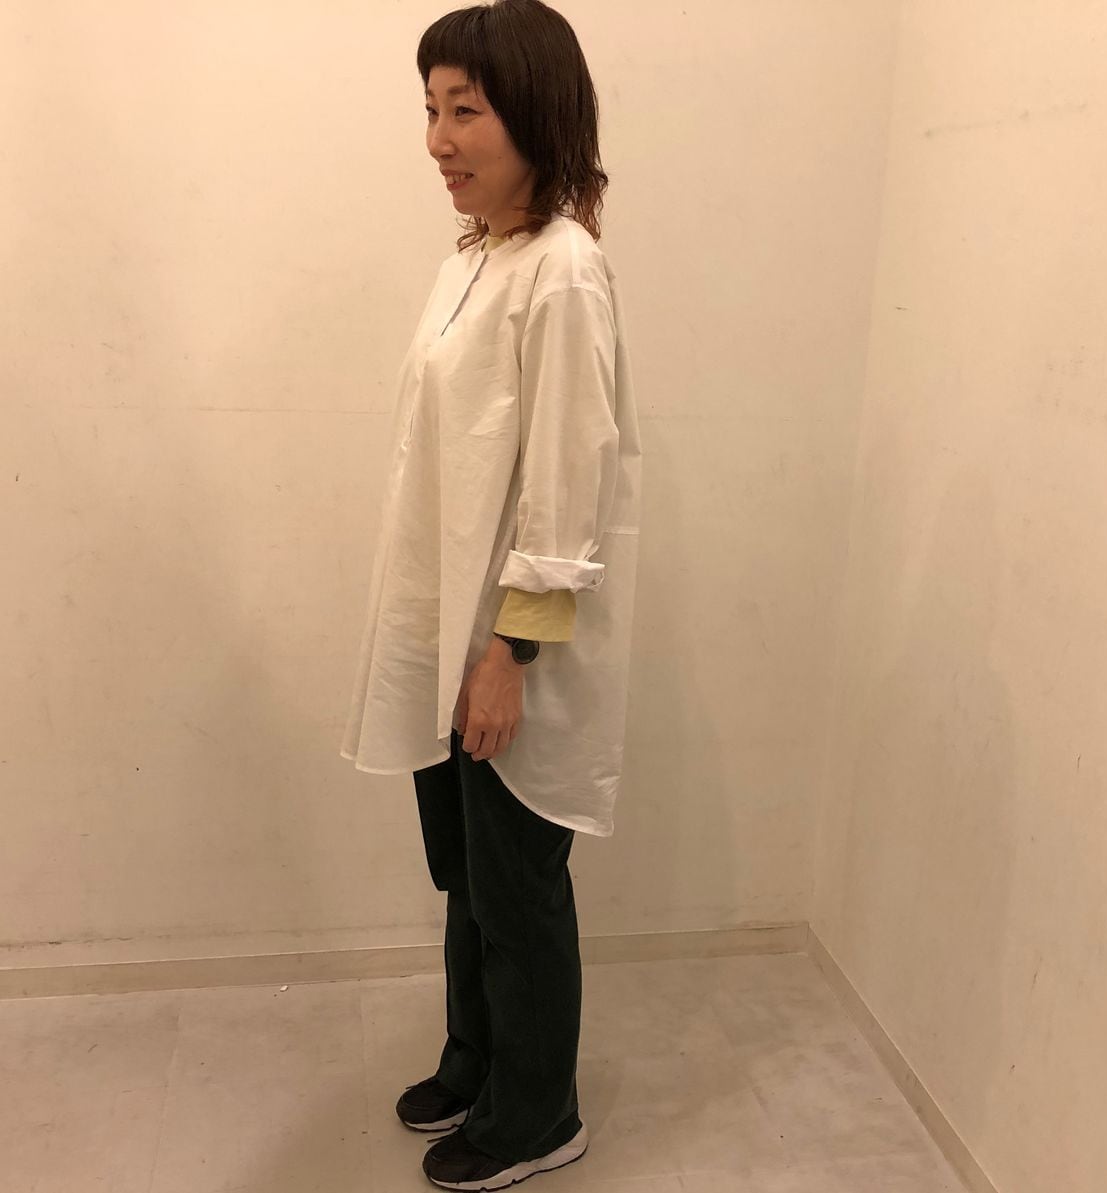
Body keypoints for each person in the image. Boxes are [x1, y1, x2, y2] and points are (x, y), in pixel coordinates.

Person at [339, 1, 642, 1188]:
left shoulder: (562, 271)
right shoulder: (472, 258)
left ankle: (537, 1111)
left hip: (508, 649)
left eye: (464, 110)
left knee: (517, 887)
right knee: (465, 874)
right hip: (444, 633)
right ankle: (474, 1060)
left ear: (535, 113)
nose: (438, 139)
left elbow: (570, 487)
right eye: (430, 109)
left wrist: (510, 652)